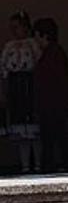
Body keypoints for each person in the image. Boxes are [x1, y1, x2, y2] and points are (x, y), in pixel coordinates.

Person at [32, 18, 68, 173]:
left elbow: (54, 80)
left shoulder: (52, 54)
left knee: (52, 136)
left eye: (37, 36)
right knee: (56, 135)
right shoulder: (53, 52)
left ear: (43, 36)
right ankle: (60, 163)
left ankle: (52, 165)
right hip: (53, 103)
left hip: (52, 103)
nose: (36, 40)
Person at [0, 11, 42, 173]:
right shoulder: (9, 46)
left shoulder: (33, 44)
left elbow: (39, 65)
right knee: (20, 132)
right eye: (12, 28)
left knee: (34, 130)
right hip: (15, 88)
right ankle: (25, 166)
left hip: (30, 87)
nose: (14, 31)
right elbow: (3, 69)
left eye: (17, 27)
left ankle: (37, 164)